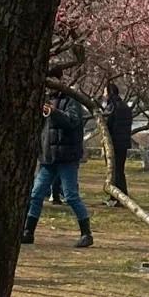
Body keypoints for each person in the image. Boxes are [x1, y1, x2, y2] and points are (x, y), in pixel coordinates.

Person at [21, 86, 91, 248]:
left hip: (67, 157)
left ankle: (86, 233)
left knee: (71, 195)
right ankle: (28, 232)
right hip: (48, 157)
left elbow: (72, 121)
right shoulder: (43, 98)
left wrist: (54, 112)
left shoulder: (71, 100)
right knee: (36, 194)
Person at [101, 78, 133, 196]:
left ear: (110, 93)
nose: (103, 95)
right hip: (123, 143)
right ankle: (121, 195)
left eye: (105, 92)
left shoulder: (112, 107)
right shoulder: (125, 106)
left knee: (113, 171)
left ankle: (116, 196)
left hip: (114, 143)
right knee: (119, 170)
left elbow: (107, 125)